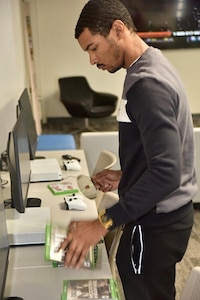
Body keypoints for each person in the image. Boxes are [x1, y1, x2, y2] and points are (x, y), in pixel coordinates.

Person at [60, 1, 198, 299]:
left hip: (157, 224)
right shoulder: (151, 64)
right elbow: (165, 154)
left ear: (118, 29)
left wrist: (103, 223)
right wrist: (127, 175)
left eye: (93, 48)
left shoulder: (147, 85)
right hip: (164, 217)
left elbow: (166, 173)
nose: (92, 59)